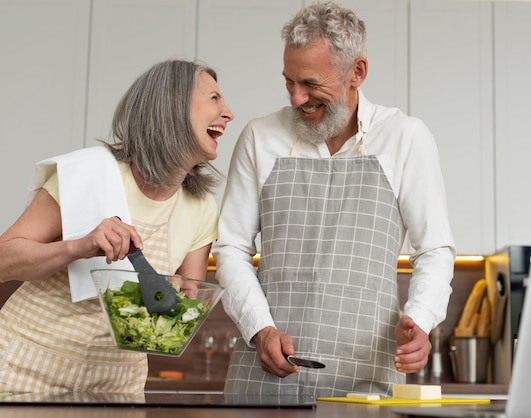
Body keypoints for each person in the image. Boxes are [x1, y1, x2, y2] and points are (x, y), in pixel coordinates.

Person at [213, 1, 455, 398]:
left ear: (356, 72)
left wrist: (420, 319)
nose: (295, 97)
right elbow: (231, 248)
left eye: (310, 83)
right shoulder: (260, 137)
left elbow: (434, 249)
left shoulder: (406, 138)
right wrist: (260, 328)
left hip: (365, 384)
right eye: (288, 81)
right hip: (264, 382)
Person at [0, 58, 234, 394]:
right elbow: (3, 260)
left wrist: (181, 310)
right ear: (172, 104)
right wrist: (77, 246)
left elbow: (183, 296)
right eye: (215, 98)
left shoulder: (201, 208)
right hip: (25, 369)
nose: (228, 113)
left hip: (114, 386)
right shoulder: (87, 173)